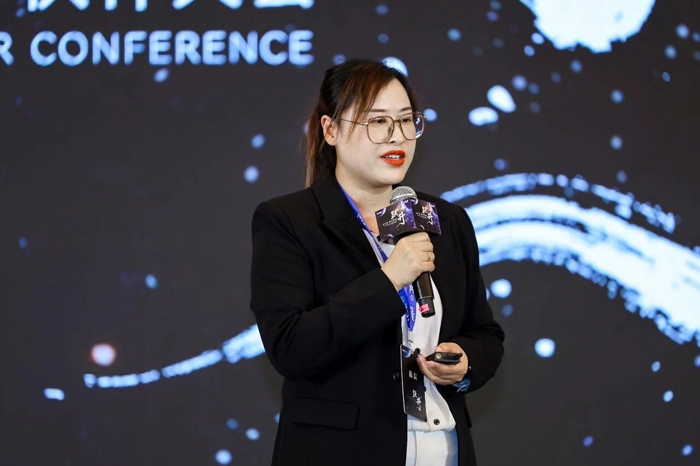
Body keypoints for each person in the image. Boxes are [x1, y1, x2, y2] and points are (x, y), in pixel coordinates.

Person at [250, 58, 505, 466]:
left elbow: (486, 334)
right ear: (331, 130)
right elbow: (291, 347)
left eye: (406, 120)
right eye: (378, 121)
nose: (396, 136)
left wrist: (465, 360)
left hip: (443, 450)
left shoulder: (447, 220)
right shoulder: (289, 221)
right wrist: (389, 281)